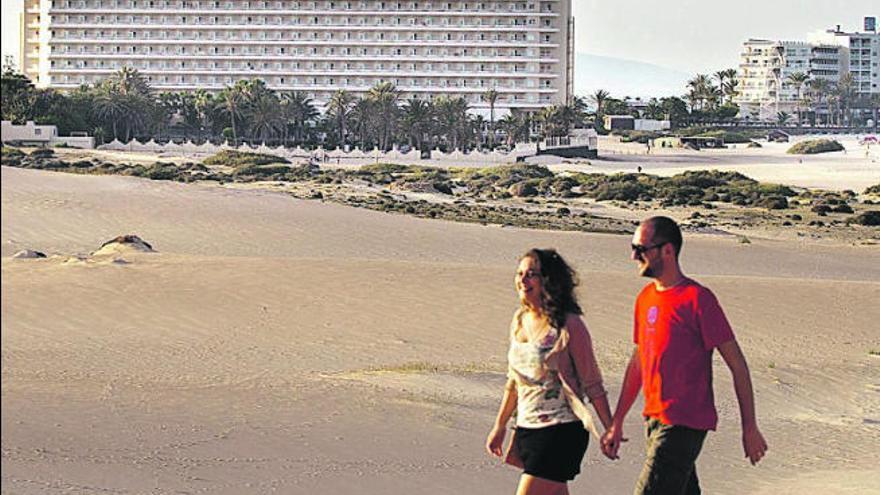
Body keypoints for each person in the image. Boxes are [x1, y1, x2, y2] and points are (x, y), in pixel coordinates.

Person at [601, 216, 768, 494]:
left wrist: (749, 427)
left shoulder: (698, 299)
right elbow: (639, 363)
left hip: (684, 422)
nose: (633, 256)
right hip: (653, 420)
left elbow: (737, 365)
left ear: (667, 250)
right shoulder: (645, 298)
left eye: (641, 248)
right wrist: (617, 422)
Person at [486, 249, 614, 495]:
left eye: (531, 274)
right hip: (527, 429)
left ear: (549, 280)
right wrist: (499, 425)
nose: (523, 280)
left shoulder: (569, 325)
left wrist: (609, 429)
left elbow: (592, 383)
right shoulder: (519, 320)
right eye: (520, 273)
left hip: (560, 431)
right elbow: (514, 382)